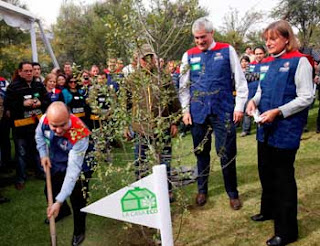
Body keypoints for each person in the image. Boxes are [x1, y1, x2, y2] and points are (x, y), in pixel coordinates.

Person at [246, 20, 314, 246]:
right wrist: (253, 103)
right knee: (265, 172)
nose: (268, 43)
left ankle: (286, 232)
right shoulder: (265, 63)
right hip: (265, 127)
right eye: (266, 40)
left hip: (284, 129)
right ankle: (269, 210)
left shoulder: (300, 61)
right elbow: (261, 90)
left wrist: (279, 111)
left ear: (286, 38)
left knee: (283, 178)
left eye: (273, 39)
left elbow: (306, 97)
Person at [179, 17, 248, 209]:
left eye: (203, 37)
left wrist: (239, 106)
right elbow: (183, 86)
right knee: (201, 153)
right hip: (198, 112)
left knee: (226, 153)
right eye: (196, 38)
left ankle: (232, 193)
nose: (200, 41)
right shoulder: (189, 55)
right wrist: (185, 110)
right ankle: (202, 190)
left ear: (212, 34)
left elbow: (240, 82)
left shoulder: (227, 50)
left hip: (223, 111)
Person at [124, 44, 181, 201]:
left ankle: (166, 190)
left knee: (165, 161)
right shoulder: (132, 79)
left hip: (163, 127)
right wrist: (125, 126)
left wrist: (175, 122)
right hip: (141, 128)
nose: (148, 61)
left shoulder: (163, 77)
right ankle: (141, 192)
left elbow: (173, 101)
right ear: (138, 60)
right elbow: (126, 104)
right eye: (145, 58)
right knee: (140, 162)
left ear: (155, 58)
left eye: (151, 57)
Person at [35, 101, 92, 246]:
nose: (59, 130)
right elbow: (39, 137)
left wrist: (59, 201)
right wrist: (43, 154)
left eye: (63, 125)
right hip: (57, 160)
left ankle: (79, 231)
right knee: (50, 190)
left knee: (78, 199)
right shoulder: (44, 120)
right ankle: (63, 211)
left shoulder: (79, 133)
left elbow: (73, 172)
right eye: (54, 126)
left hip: (80, 163)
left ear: (69, 118)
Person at [5, 61, 46, 189]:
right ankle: (21, 178)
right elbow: (8, 105)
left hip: (37, 127)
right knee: (21, 153)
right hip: (21, 127)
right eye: (26, 71)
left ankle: (40, 172)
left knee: (38, 150)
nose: (29, 73)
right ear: (20, 72)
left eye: (31, 70)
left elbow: (47, 100)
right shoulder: (13, 87)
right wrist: (22, 104)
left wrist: (40, 103)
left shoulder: (38, 85)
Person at [240, 46, 267, 137]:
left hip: (264, 91)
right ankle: (246, 130)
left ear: (264, 54)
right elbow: (247, 76)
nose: (258, 55)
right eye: (256, 54)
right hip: (251, 91)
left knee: (263, 110)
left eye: (260, 53)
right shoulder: (250, 65)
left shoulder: (268, 64)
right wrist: (261, 75)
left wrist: (255, 76)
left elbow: (269, 76)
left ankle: (263, 128)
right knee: (248, 111)